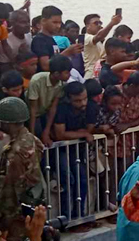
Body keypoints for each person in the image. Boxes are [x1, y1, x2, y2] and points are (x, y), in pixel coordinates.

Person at [0, 97, 45, 241]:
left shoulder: (14, 153)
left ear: (7, 123)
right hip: (31, 205)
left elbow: (10, 193)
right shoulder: (31, 139)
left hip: (17, 215)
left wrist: (5, 224)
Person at [52, 81, 94, 217]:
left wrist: (81, 133)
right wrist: (83, 134)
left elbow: (90, 129)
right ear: (69, 99)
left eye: (85, 98)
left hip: (76, 151)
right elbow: (60, 135)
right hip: (61, 151)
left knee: (82, 180)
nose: (83, 103)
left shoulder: (90, 107)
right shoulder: (62, 109)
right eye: (78, 100)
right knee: (68, 180)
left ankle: (79, 216)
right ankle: (65, 218)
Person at [27, 55, 71, 146]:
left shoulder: (62, 84)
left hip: (45, 113)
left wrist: (46, 132)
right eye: (67, 72)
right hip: (31, 115)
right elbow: (33, 109)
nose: (69, 75)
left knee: (48, 137)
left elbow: (53, 108)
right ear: (56, 74)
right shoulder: (36, 80)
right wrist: (32, 134)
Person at [31, 6, 79, 72]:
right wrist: (66, 52)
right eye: (54, 22)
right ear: (43, 21)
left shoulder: (51, 39)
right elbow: (45, 65)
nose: (58, 26)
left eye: (59, 23)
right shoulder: (39, 40)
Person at [83, 13, 121, 78]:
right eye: (96, 23)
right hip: (91, 75)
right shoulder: (86, 38)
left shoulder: (100, 42)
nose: (99, 25)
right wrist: (112, 23)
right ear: (87, 26)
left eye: (100, 23)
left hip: (101, 74)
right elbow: (99, 36)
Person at [0, 10, 32, 74]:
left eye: (28, 22)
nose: (27, 25)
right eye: (23, 22)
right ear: (12, 23)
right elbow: (4, 67)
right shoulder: (6, 41)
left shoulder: (29, 36)